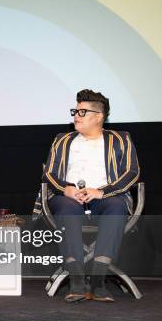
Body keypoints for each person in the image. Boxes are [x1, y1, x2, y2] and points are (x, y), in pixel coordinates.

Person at [34, 89, 139, 303]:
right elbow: (49, 174)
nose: (75, 116)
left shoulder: (121, 139)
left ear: (99, 116)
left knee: (116, 206)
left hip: (104, 196)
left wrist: (101, 192)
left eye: (82, 112)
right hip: (69, 197)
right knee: (66, 207)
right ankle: (77, 280)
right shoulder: (62, 139)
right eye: (75, 111)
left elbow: (132, 172)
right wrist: (67, 188)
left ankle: (99, 280)